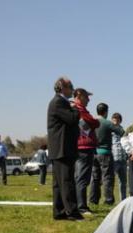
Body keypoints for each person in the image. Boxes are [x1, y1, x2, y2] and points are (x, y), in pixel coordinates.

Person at [48, 76, 83, 221]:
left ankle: (59, 211)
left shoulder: (58, 102)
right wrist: (76, 108)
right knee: (67, 181)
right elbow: (72, 119)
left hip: (59, 148)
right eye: (71, 87)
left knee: (59, 183)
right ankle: (72, 212)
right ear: (63, 87)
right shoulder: (59, 102)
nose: (73, 90)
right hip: (63, 147)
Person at [72, 88, 100, 215]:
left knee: (81, 177)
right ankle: (82, 206)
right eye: (86, 97)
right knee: (82, 178)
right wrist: (94, 122)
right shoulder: (78, 109)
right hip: (83, 148)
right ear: (79, 96)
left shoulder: (79, 109)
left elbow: (94, 123)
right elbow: (93, 122)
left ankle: (79, 204)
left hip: (83, 147)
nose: (88, 99)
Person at [92, 103, 122, 206]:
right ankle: (108, 200)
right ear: (106, 112)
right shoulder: (107, 123)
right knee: (107, 177)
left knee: (95, 178)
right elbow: (121, 131)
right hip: (106, 154)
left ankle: (93, 200)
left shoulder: (92, 122)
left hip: (94, 153)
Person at [110, 113, 128, 201]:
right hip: (114, 158)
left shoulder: (123, 131)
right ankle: (110, 200)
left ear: (120, 121)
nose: (116, 121)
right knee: (111, 181)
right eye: (114, 120)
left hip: (123, 158)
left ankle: (123, 200)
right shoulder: (109, 130)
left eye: (117, 120)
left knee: (123, 182)